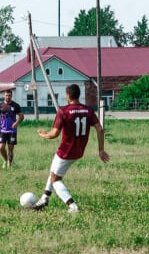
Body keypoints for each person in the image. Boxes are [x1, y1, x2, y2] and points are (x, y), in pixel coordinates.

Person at [34, 84, 110, 212]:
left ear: (68, 95)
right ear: (78, 95)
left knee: (56, 179)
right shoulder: (88, 110)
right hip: (79, 150)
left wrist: (43, 135)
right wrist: (101, 150)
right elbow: (100, 129)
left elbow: (54, 134)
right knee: (53, 170)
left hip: (65, 151)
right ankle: (44, 198)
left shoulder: (63, 111)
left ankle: (72, 206)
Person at [0, 90, 24, 168]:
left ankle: (9, 165)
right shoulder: (0, 106)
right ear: (4, 96)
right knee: (1, 147)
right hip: (2, 130)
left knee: (10, 149)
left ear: (11, 96)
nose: (8, 97)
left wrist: (16, 123)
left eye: (9, 95)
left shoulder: (15, 106)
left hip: (12, 131)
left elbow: (21, 116)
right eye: (6, 95)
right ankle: (6, 160)